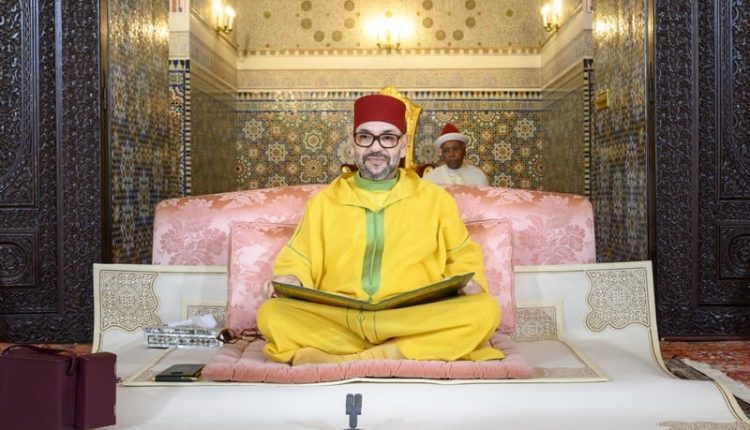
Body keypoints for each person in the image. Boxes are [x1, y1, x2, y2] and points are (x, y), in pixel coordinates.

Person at [257, 94, 503, 365]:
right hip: (341, 318)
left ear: (403, 145)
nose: (376, 147)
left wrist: (469, 284)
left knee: (485, 311)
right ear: (353, 144)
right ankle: (399, 351)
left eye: (387, 138)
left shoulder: (436, 200)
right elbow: (299, 257)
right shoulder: (324, 203)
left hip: (411, 317)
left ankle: (355, 358)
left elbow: (463, 255)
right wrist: (292, 279)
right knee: (271, 314)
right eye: (365, 137)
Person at [422, 123, 490, 186]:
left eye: (455, 149)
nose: (451, 154)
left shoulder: (478, 176)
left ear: (464, 151)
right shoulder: (431, 179)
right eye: (446, 151)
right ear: (442, 154)